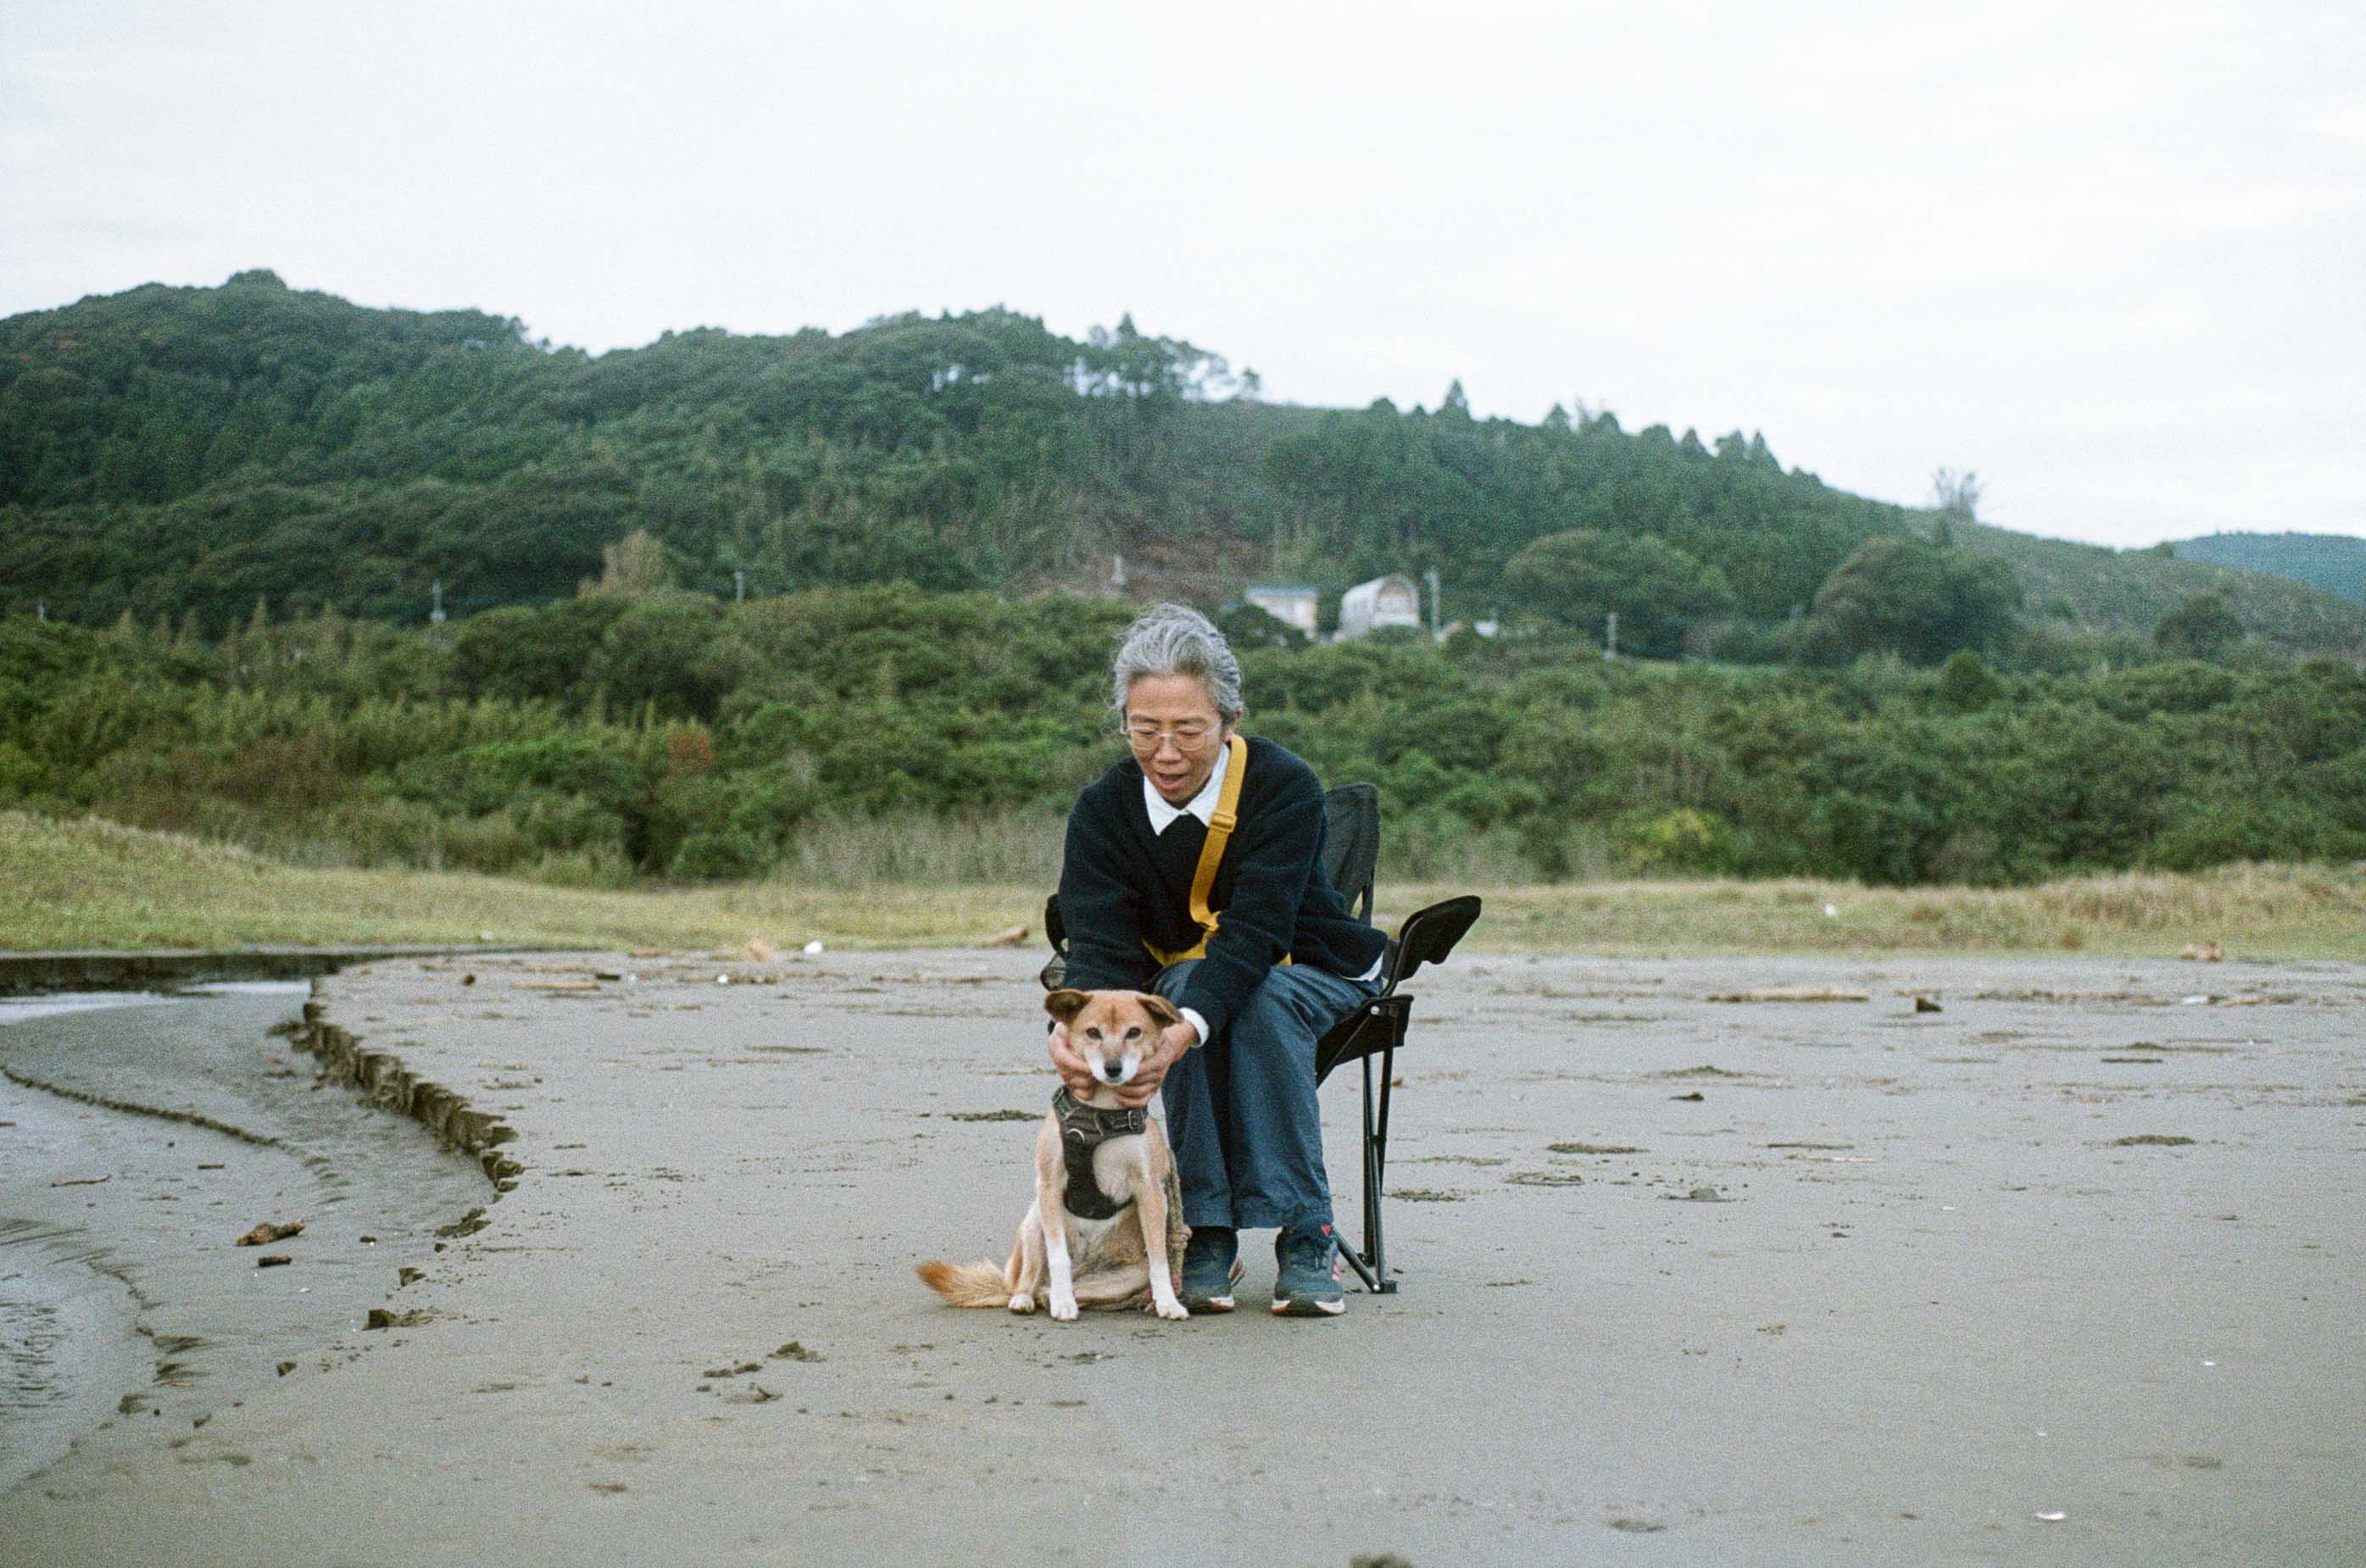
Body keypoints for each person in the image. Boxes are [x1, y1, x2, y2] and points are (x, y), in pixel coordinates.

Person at [1049, 603, 1386, 1316]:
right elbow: (1099, 943)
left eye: (1189, 731)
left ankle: (1306, 1229)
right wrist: (1070, 1032)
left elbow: (1258, 930)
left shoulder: (1282, 785)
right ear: (1124, 723)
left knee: (1248, 1002)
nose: (1166, 753)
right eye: (1145, 730)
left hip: (1310, 967)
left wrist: (1184, 1029)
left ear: (1231, 721)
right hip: (1188, 980)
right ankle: (1206, 1229)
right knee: (1182, 994)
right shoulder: (1103, 808)